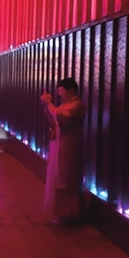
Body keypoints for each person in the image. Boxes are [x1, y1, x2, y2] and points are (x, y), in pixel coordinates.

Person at [41, 78, 87, 224]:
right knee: (59, 175)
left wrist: (49, 103)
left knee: (67, 177)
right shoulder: (67, 104)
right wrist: (47, 105)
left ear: (71, 90)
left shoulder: (77, 105)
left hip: (70, 145)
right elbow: (54, 119)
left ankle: (70, 213)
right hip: (60, 144)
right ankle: (62, 213)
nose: (60, 94)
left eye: (62, 91)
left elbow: (59, 116)